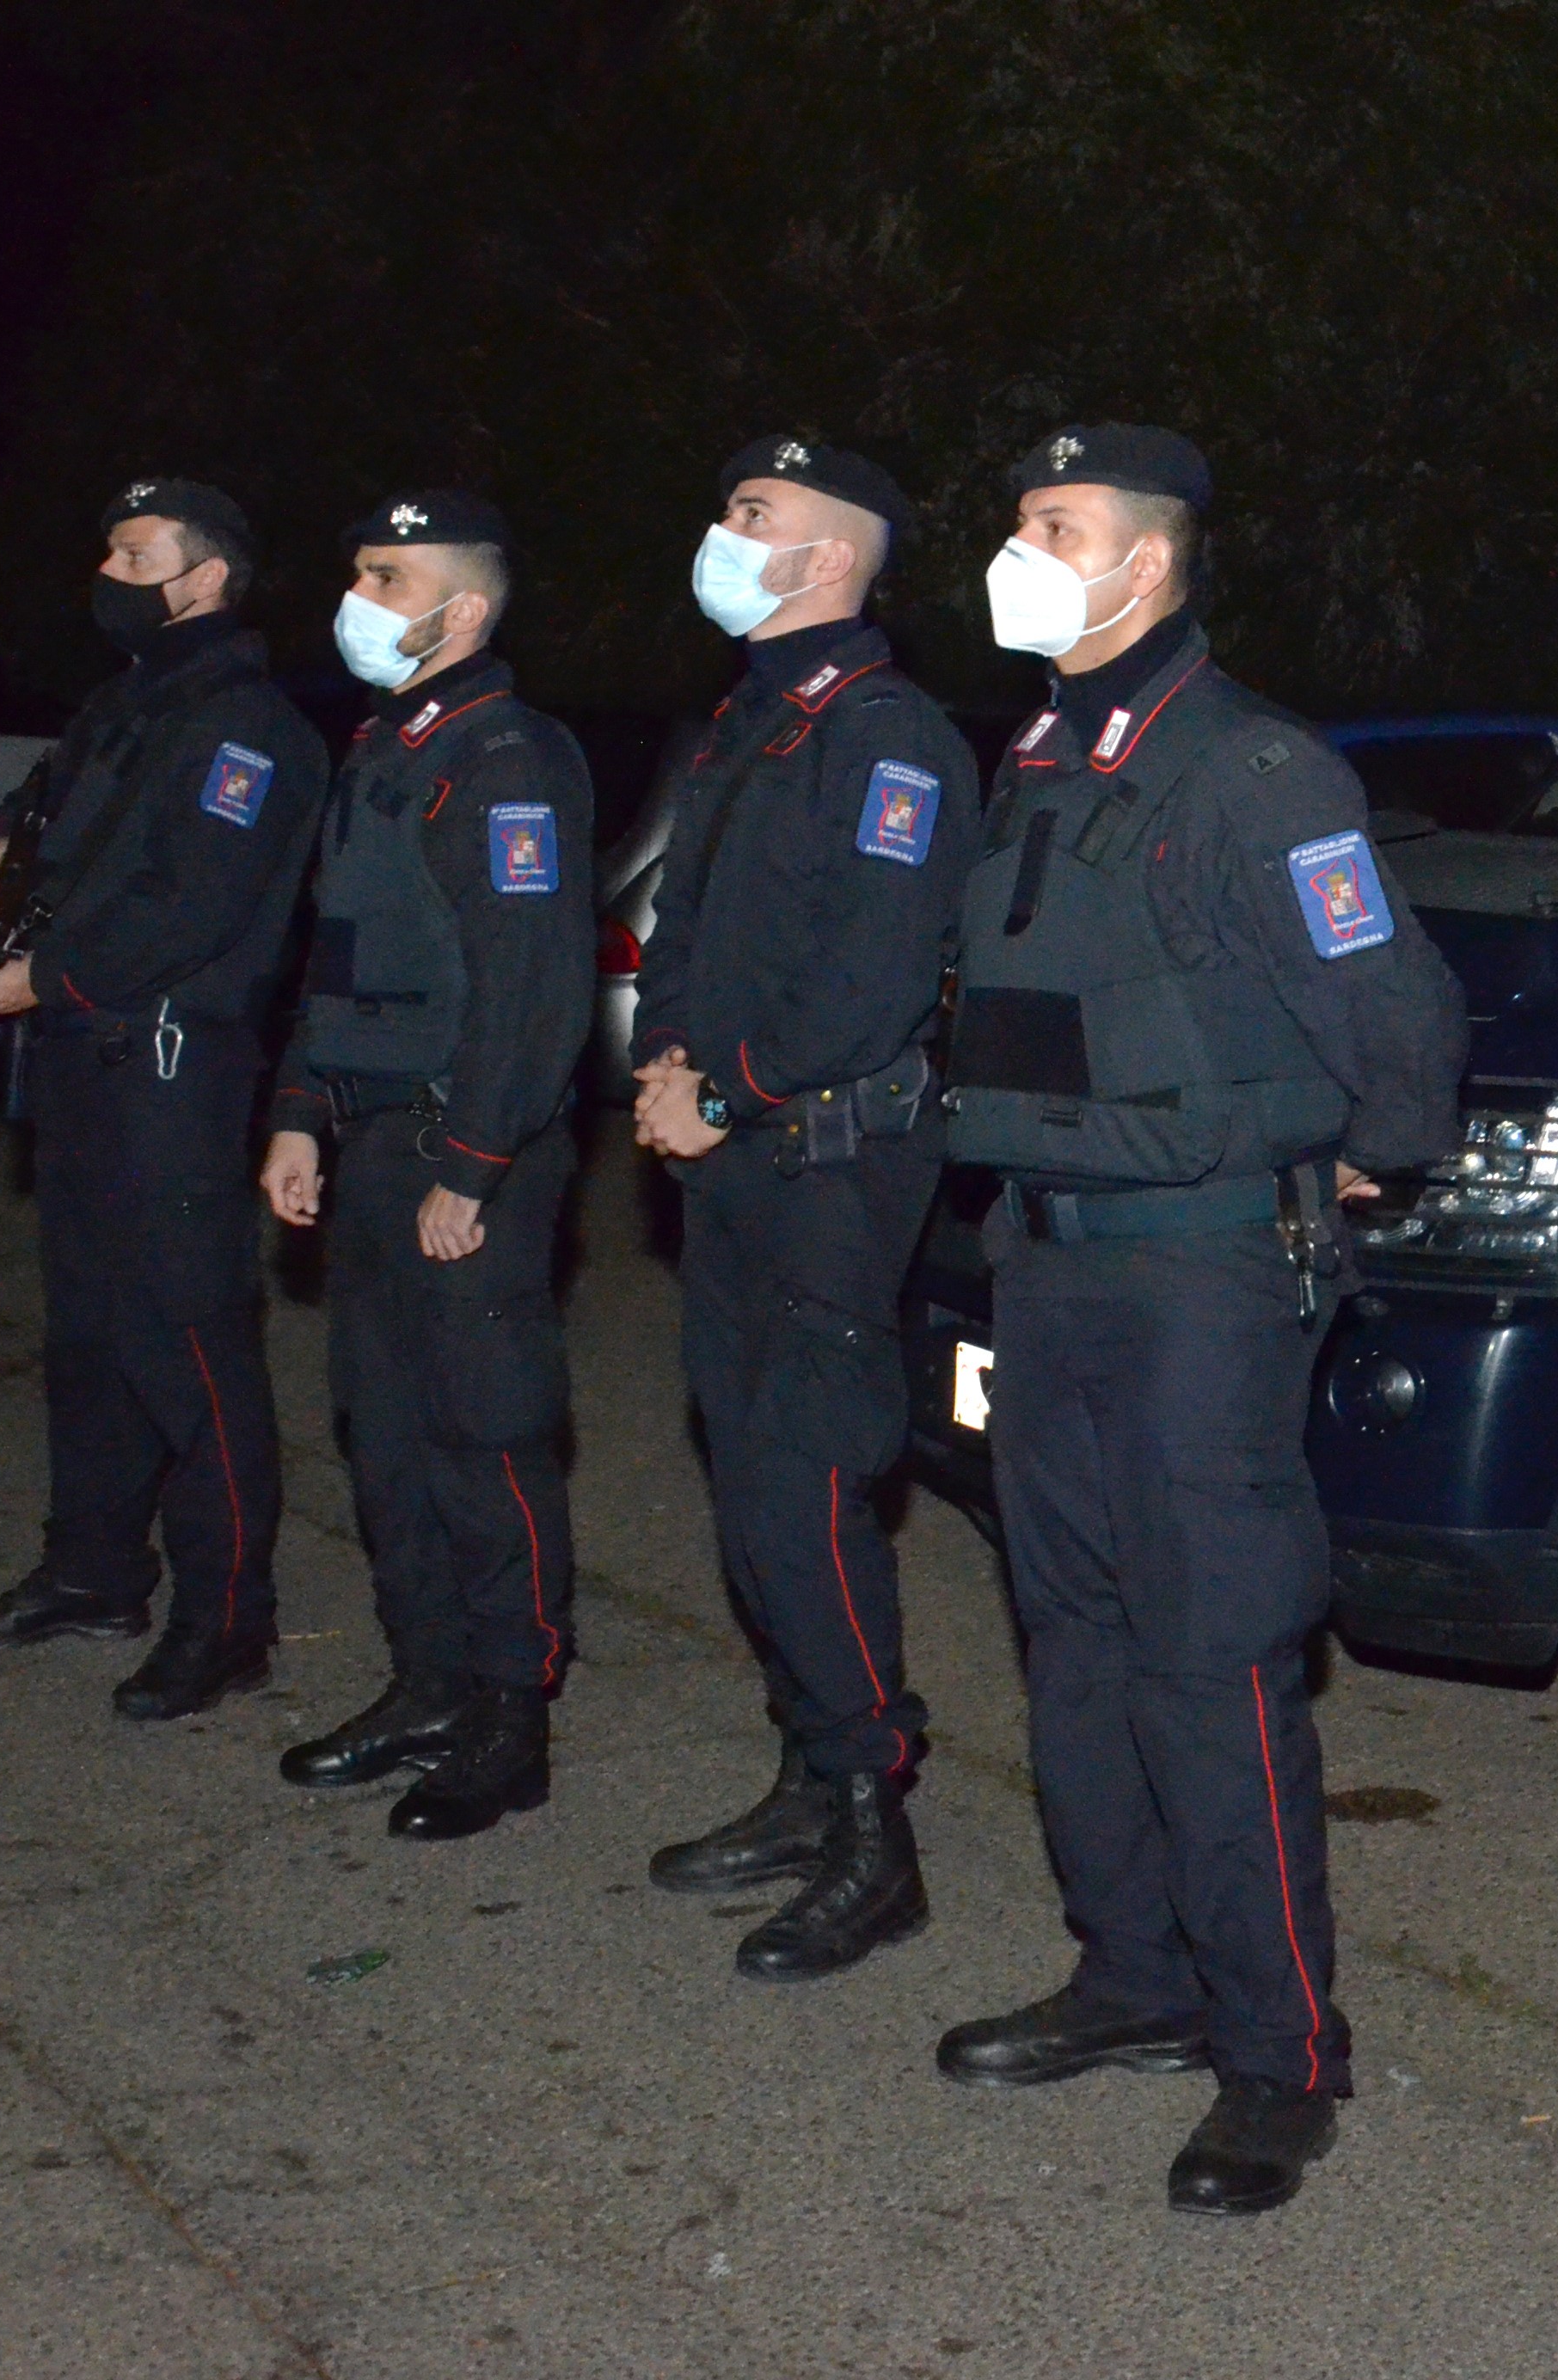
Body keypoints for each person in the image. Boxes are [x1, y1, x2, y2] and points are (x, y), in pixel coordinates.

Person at [930, 425, 1466, 2216]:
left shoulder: (1249, 769)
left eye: (1058, 527)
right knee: (1070, 1635)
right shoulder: (1042, 753)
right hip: (1050, 1259)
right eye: (1020, 520)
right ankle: (1134, 1974)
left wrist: (1363, 1156)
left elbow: (1394, 1011)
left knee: (1210, 1647)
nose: (1022, 549)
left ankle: (1278, 2053)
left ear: (1147, 566)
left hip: (1198, 1276)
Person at [629, 435, 981, 1978]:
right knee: (748, 1475)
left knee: (810, 1479)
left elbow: (876, 975)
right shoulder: (755, 723)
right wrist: (665, 1070)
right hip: (735, 1149)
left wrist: (730, 1087)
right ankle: (803, 1773)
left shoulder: (887, 737)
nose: (724, 533)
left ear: (829, 557)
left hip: (829, 1158)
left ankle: (868, 1831)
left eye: (753, 516)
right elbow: (681, 925)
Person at [0, 478, 328, 1719]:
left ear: (204, 580)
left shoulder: (248, 731)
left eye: (133, 550)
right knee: (91, 1340)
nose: (106, 568)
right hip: (79, 1063)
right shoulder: (127, 703)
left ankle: (226, 1622)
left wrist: (40, 978)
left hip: (168, 1067)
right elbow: (48, 801)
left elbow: (193, 907)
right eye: (106, 543)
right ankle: (93, 1572)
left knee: (189, 1348)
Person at [257, 490, 594, 1839]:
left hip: (467, 1148)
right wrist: (296, 1108)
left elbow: (533, 980)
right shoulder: (387, 749)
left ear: (460, 608)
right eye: (357, 570)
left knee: (484, 1429)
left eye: (387, 576)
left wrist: (475, 1160)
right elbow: (334, 960)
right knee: (384, 1430)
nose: (359, 598)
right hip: (371, 1141)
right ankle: (426, 1680)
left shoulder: (506, 757)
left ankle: (511, 1713)